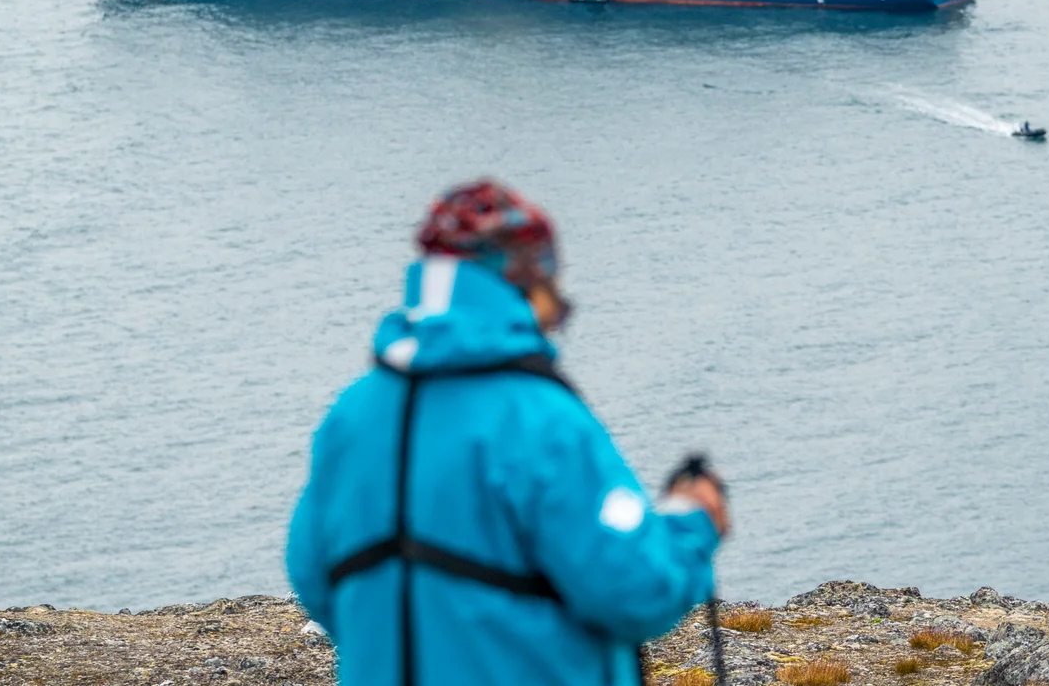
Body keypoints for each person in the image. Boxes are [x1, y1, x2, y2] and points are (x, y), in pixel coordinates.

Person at [286, 180, 730, 686]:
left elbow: (314, 578)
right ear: (527, 277)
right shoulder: (541, 419)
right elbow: (634, 592)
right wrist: (692, 520)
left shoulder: (351, 415)